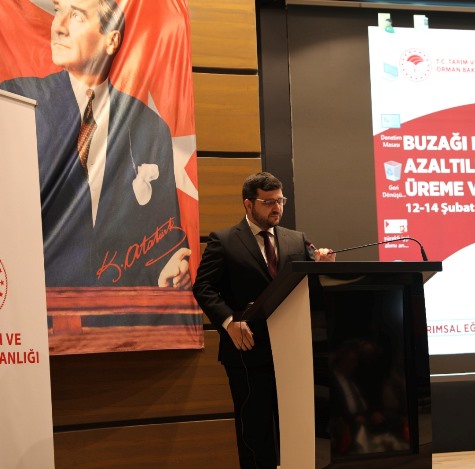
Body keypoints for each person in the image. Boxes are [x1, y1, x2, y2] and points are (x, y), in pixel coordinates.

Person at [0, 0, 190, 288]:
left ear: (111, 40)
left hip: (123, 305)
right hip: (37, 300)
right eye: (58, 11)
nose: (58, 26)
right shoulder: (18, 101)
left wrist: (170, 266)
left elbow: (165, 232)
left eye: (76, 16)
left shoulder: (151, 127)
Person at [193, 172, 336, 469]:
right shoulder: (224, 241)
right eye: (268, 202)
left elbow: (309, 287)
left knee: (294, 430)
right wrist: (229, 321)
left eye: (280, 201)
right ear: (249, 204)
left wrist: (323, 265)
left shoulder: (297, 240)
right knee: (255, 432)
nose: (277, 208)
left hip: (293, 351)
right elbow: (203, 287)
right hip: (247, 350)